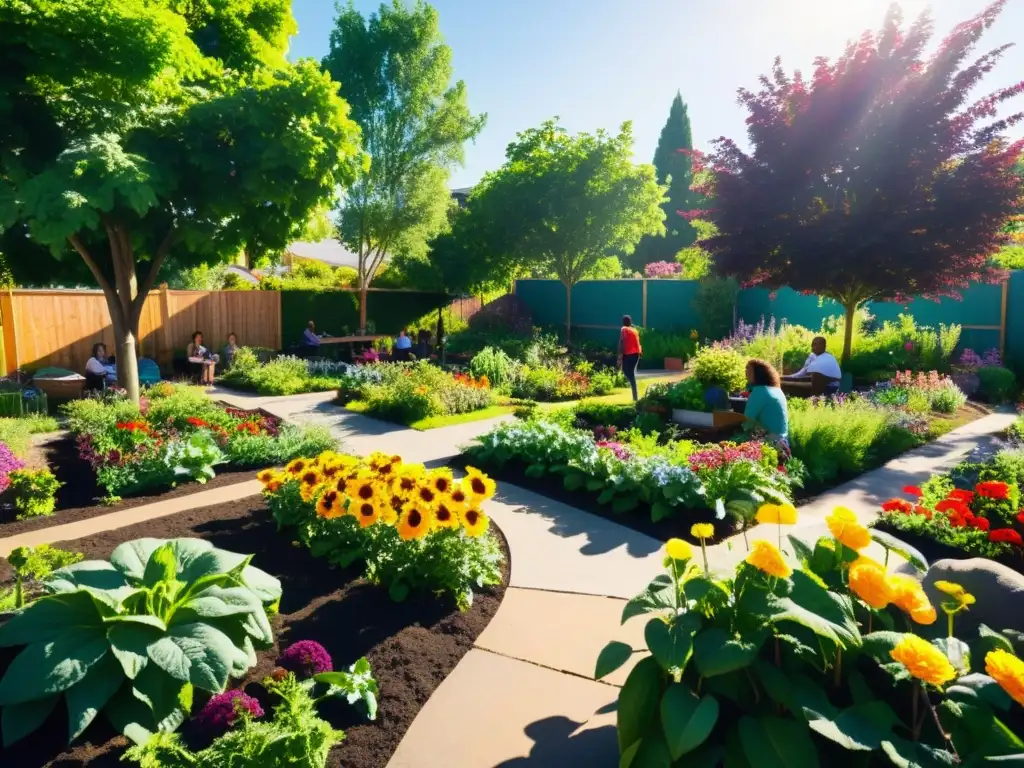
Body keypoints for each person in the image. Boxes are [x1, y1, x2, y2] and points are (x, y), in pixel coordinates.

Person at [743, 358, 789, 451]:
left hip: (769, 444)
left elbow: (746, 422)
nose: (746, 372)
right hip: (783, 443)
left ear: (758, 373)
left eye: (748, 369)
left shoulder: (759, 391)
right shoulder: (777, 390)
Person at [617, 315, 643, 401]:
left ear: (623, 322)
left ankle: (635, 396)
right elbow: (637, 342)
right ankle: (635, 396)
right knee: (630, 373)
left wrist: (620, 357)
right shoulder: (634, 330)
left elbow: (622, 342)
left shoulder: (623, 329)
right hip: (636, 354)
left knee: (628, 372)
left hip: (629, 354)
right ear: (630, 322)